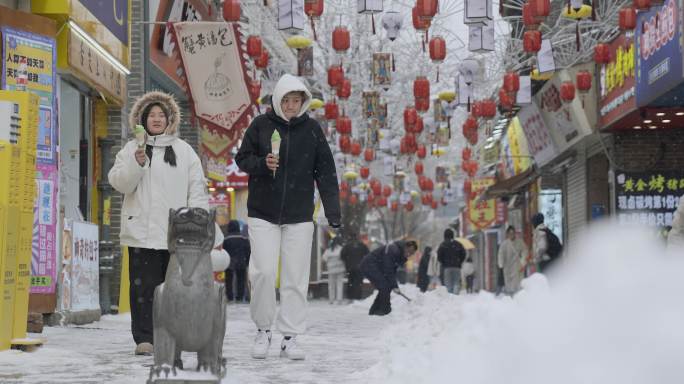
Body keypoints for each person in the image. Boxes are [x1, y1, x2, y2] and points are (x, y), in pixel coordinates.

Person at [235, 74, 341, 360]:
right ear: (277, 100)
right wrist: (261, 163)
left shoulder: (313, 131)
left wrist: (333, 213)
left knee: (295, 277)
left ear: (304, 102)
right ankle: (263, 330)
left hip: (299, 215)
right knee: (264, 273)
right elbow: (241, 158)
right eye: (287, 100)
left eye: (297, 100)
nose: (292, 105)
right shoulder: (260, 125)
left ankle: (290, 337)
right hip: (262, 213)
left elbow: (327, 174)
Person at [108, 91, 213, 356]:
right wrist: (137, 162)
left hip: (175, 233)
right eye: (151, 115)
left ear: (169, 120)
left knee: (174, 290)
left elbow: (197, 189)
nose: (156, 119)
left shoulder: (184, 151)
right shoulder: (132, 149)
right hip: (140, 231)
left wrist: (197, 223)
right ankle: (144, 338)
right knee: (143, 288)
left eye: (161, 115)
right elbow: (119, 182)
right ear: (143, 119)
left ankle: (172, 336)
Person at [360, 240, 418, 316]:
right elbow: (388, 269)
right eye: (409, 251)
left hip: (376, 267)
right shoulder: (393, 250)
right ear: (405, 247)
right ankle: (383, 310)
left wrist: (394, 285)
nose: (409, 254)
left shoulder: (399, 253)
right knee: (384, 286)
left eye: (411, 253)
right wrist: (394, 286)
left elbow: (392, 271)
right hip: (369, 265)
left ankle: (376, 310)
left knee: (386, 286)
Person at [223, 220, 251, 303]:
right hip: (241, 262)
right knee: (241, 280)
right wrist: (247, 262)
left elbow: (223, 250)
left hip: (229, 262)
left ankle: (230, 297)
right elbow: (248, 251)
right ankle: (239, 297)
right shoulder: (244, 238)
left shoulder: (226, 239)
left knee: (229, 280)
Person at [340, 232, 370, 300]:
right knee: (358, 282)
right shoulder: (362, 245)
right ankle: (357, 296)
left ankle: (350, 296)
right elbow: (368, 255)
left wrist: (347, 261)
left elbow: (342, 256)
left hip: (350, 268)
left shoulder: (347, 246)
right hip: (360, 267)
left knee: (350, 281)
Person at [497, 226, 525, 295]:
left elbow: (525, 251)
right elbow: (500, 254)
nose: (511, 235)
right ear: (507, 234)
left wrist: (522, 261)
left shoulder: (520, 242)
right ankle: (510, 298)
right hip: (507, 267)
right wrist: (501, 264)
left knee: (517, 284)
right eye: (510, 233)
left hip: (517, 266)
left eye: (513, 233)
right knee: (509, 284)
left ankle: (517, 297)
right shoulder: (504, 244)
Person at [437, 229, 466, 294]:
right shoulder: (458, 244)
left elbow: (439, 256)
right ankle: (455, 296)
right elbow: (463, 254)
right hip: (457, 267)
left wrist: (443, 262)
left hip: (447, 267)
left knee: (448, 284)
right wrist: (459, 262)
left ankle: (450, 298)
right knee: (456, 282)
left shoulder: (443, 244)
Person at [322, 236, 345, 304]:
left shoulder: (328, 250)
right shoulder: (341, 249)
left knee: (331, 285)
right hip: (340, 269)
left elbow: (324, 259)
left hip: (331, 270)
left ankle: (331, 299)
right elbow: (344, 258)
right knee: (339, 284)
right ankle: (339, 299)